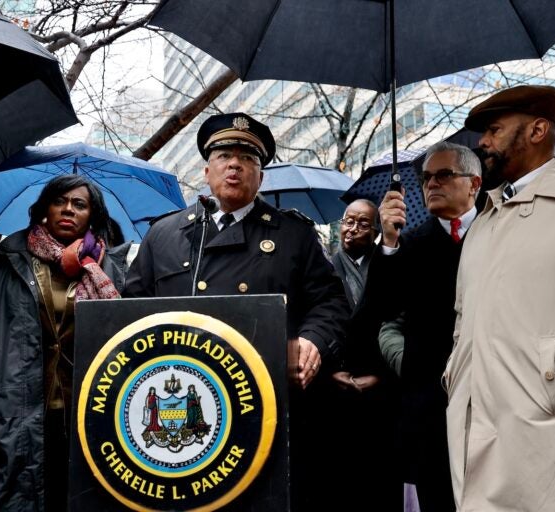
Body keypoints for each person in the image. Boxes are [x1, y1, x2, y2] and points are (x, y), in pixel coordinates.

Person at [123, 112, 349, 510]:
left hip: (266, 408)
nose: (235, 165)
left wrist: (312, 341)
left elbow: (331, 303)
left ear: (260, 177)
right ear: (207, 169)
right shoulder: (164, 235)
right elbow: (130, 315)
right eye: (225, 155)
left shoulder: (292, 234)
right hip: (184, 414)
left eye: (248, 159)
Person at [445, 85, 555, 511]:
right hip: (478, 445)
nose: (482, 143)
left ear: (538, 130)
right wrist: (457, 378)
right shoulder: (482, 224)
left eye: (493, 130)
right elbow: (463, 320)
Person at [0, 175, 131, 511]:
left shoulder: (112, 272)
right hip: (16, 416)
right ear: (45, 209)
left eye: (79, 204)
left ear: (93, 215)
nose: (68, 209)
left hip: (90, 415)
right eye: (60, 201)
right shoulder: (7, 265)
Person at [361, 141, 482, 512]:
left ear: (474, 184)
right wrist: (389, 241)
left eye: (444, 175)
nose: (432, 184)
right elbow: (375, 313)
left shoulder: (501, 231)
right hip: (430, 411)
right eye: (427, 177)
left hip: (494, 401)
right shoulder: (408, 245)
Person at [325, 198, 403, 510]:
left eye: (362, 224)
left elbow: (398, 320)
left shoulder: (388, 265)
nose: (352, 230)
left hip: (381, 384)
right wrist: (331, 369)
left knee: (382, 481)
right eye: (348, 221)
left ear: (374, 232)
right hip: (335, 383)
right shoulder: (326, 268)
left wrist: (381, 375)